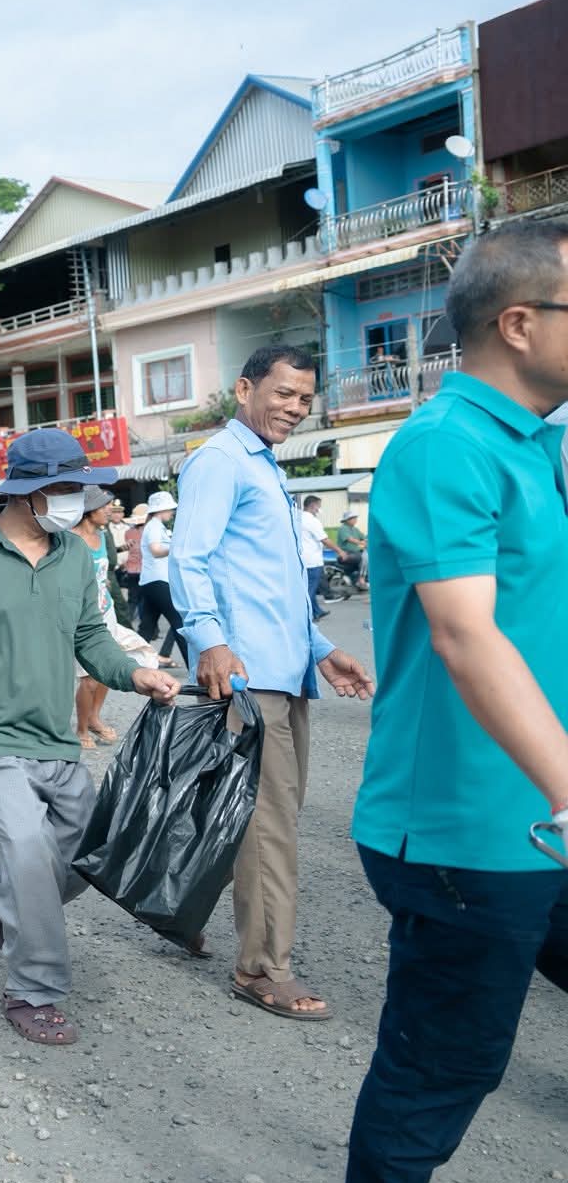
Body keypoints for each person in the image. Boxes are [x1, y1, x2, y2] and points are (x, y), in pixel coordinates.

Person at [332, 218, 568, 1183]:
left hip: (539, 815)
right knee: (442, 1067)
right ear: (518, 323)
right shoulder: (443, 446)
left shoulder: (537, 443)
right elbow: (464, 636)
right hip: (464, 836)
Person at [0, 427, 182, 1046]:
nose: (81, 498)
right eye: (68, 488)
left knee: (86, 856)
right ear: (27, 492)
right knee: (28, 851)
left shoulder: (73, 555)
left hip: (54, 737)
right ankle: (33, 989)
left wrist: (135, 673)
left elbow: (90, 636)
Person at [173, 348, 376, 1019]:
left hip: (285, 672)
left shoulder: (263, 467)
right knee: (269, 825)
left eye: (305, 399)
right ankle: (262, 969)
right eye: (284, 393)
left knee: (261, 816)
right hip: (248, 677)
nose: (295, 407)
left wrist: (322, 649)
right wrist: (210, 640)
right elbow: (190, 560)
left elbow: (271, 587)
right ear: (244, 388)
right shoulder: (220, 461)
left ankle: (176, 910)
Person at [70, 487, 131, 749]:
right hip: (82, 616)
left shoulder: (102, 536)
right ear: (88, 510)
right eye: (103, 505)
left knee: (106, 669)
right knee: (88, 678)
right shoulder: (70, 539)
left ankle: (95, 718)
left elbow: (105, 572)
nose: (109, 510)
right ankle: (81, 729)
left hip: (106, 611)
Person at [134, 490, 186, 666]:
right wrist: (176, 547)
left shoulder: (155, 526)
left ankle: (132, 664)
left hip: (151, 582)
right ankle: (194, 667)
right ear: (161, 510)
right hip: (158, 582)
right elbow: (156, 550)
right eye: (170, 509)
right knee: (179, 622)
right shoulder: (154, 526)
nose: (172, 512)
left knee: (147, 628)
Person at [297, 495, 331, 620]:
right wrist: (340, 551)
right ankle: (307, 616)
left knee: (310, 586)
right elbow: (324, 539)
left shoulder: (298, 517)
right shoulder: (312, 520)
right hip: (313, 560)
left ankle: (317, 611)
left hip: (302, 559)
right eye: (319, 506)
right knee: (310, 589)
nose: (319, 509)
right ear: (313, 506)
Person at [334, 511, 367, 588]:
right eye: (353, 518)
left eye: (356, 518)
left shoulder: (355, 529)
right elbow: (350, 539)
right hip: (345, 554)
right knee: (363, 557)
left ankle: (362, 579)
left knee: (366, 555)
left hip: (355, 554)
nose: (355, 520)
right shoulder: (343, 528)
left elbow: (364, 537)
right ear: (347, 520)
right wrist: (362, 543)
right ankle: (361, 579)